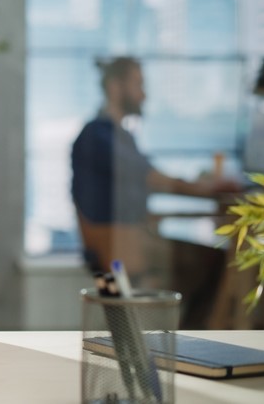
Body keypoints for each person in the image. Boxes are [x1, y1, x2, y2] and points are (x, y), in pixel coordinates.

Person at [71, 56, 240, 328]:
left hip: (129, 243)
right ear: (116, 87)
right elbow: (151, 178)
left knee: (213, 263)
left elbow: (140, 183)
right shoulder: (98, 135)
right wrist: (206, 189)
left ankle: (190, 346)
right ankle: (195, 347)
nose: (144, 94)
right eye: (138, 84)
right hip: (120, 252)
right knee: (217, 262)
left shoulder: (116, 135)